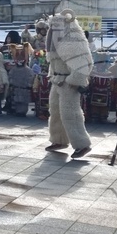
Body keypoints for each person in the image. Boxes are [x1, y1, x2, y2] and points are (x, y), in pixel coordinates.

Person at [42, 10, 95, 158]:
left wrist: (75, 80)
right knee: (55, 111)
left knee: (70, 113)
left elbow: (82, 62)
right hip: (57, 80)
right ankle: (59, 139)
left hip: (68, 81)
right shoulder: (56, 40)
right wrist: (51, 75)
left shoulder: (72, 39)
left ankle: (82, 144)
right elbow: (54, 61)